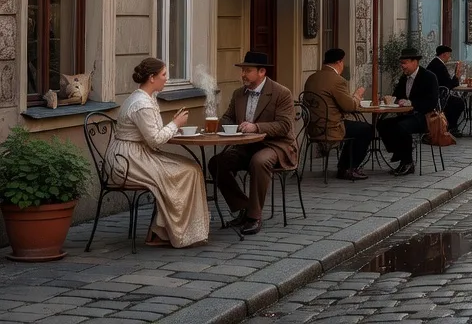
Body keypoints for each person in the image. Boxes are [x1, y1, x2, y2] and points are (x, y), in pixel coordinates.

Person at [108, 57, 209, 247]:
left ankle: (161, 230)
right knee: (187, 172)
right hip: (128, 160)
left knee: (191, 168)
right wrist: (175, 124)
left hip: (138, 153)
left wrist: (173, 125)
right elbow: (154, 139)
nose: (167, 79)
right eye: (164, 75)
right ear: (152, 77)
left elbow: (153, 133)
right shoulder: (142, 103)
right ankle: (163, 232)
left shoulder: (148, 98)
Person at [210, 52, 296, 236]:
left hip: (276, 145)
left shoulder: (281, 93)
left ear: (262, 72)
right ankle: (243, 206)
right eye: (242, 70)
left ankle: (254, 217)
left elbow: (284, 125)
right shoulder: (238, 94)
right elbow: (227, 118)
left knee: (259, 161)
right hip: (246, 146)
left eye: (247, 70)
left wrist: (256, 127)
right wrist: (231, 128)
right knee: (217, 162)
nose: (243, 75)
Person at [303, 48, 373, 181]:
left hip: (312, 128)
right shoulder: (337, 80)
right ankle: (347, 168)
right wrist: (357, 95)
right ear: (339, 62)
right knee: (366, 129)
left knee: (356, 128)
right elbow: (350, 107)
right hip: (331, 128)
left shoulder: (312, 78)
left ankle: (344, 166)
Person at [379, 47, 440, 176]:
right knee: (382, 124)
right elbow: (397, 96)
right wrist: (390, 100)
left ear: (415, 62)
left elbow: (431, 102)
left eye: (405, 63)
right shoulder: (404, 78)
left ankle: (407, 162)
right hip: (407, 115)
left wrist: (412, 104)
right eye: (401, 63)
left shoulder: (429, 77)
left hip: (424, 117)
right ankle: (400, 153)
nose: (402, 66)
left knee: (402, 127)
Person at [425, 45, 466, 134]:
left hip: (435, 94)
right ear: (444, 54)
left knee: (456, 102)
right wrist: (457, 76)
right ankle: (451, 126)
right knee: (459, 103)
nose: (449, 57)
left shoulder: (435, 63)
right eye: (449, 55)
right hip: (437, 97)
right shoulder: (439, 66)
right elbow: (449, 85)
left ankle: (450, 125)